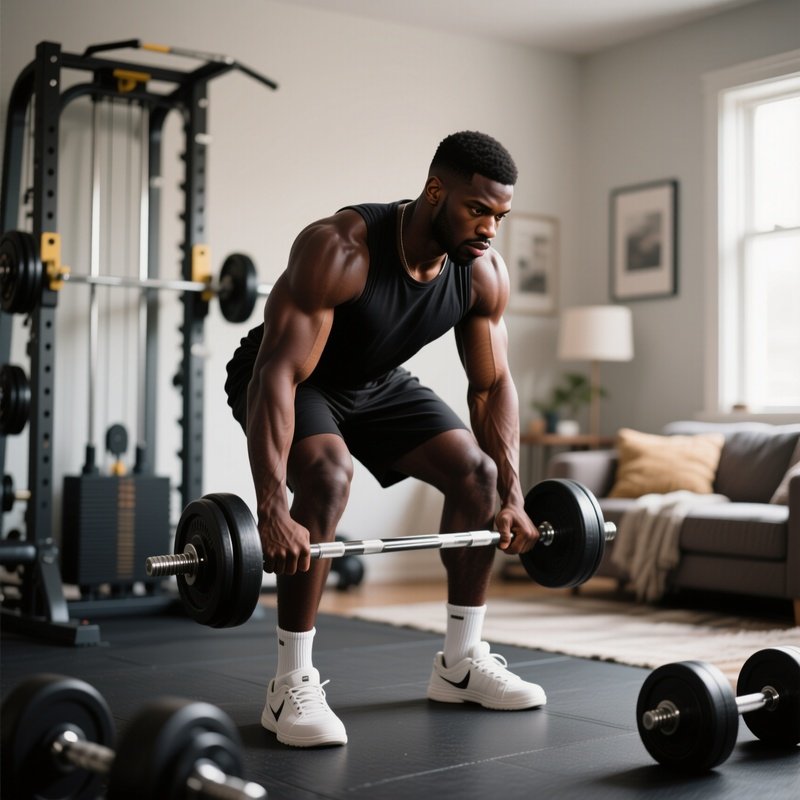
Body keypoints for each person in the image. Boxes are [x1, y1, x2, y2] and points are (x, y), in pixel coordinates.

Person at [224, 130, 546, 748]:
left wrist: (514, 493)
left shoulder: (481, 273)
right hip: (295, 377)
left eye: (500, 217)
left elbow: (492, 385)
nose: (489, 230)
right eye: (477, 210)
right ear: (434, 192)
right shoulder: (341, 248)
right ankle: (291, 683)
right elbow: (279, 374)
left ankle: (460, 662)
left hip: (375, 382)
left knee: (476, 475)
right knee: (327, 473)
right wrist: (269, 508)